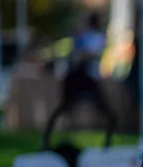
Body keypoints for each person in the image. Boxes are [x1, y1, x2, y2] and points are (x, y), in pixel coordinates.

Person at [42, 13, 116, 149]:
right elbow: (78, 54)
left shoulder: (96, 37)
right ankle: (67, 124)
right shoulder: (85, 37)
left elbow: (89, 54)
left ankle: (105, 133)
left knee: (104, 110)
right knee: (71, 105)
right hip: (80, 77)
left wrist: (83, 54)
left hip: (90, 77)